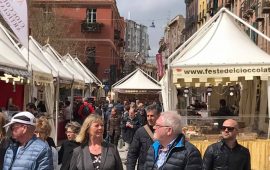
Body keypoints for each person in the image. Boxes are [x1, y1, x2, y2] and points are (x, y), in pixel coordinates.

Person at [126, 104, 161, 170]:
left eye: (152, 116)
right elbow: (132, 153)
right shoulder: (141, 132)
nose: (149, 118)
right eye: (148, 116)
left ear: (158, 116)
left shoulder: (165, 131)